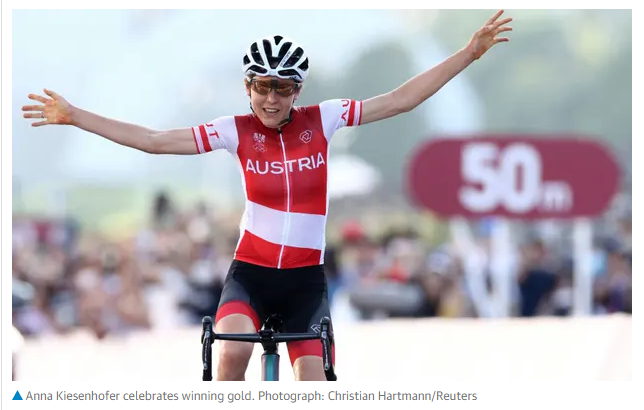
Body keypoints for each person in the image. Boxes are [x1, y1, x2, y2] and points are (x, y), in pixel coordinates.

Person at [22, 10, 512, 381]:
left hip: (304, 282)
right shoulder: (233, 130)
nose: (271, 98)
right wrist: (76, 115)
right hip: (251, 276)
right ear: (248, 86)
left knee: (313, 385)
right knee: (232, 351)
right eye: (262, 86)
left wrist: (468, 53)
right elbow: (153, 140)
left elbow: (401, 100)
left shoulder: (324, 119)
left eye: (282, 88)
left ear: (297, 91)